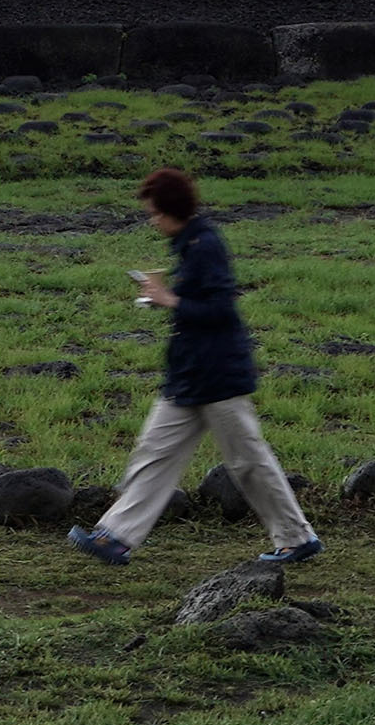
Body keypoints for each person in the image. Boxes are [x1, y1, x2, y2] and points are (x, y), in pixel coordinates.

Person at [69, 165, 319, 567]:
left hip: (218, 375)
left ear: (173, 209)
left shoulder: (206, 245)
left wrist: (170, 300)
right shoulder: (189, 245)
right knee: (153, 452)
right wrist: (165, 296)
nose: (152, 220)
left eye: (155, 212)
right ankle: (114, 536)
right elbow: (197, 303)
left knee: (248, 461)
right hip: (189, 374)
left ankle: (297, 537)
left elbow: (221, 308)